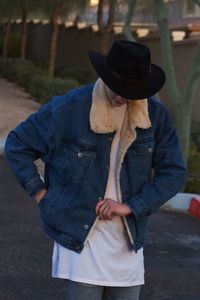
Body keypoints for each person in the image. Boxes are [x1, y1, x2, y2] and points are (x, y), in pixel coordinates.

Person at [4, 40, 187, 300]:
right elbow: (17, 144)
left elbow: (174, 172)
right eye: (117, 85)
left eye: (130, 89)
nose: (121, 95)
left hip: (128, 240)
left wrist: (131, 206)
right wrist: (40, 193)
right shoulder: (69, 109)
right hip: (81, 238)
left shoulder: (155, 117)